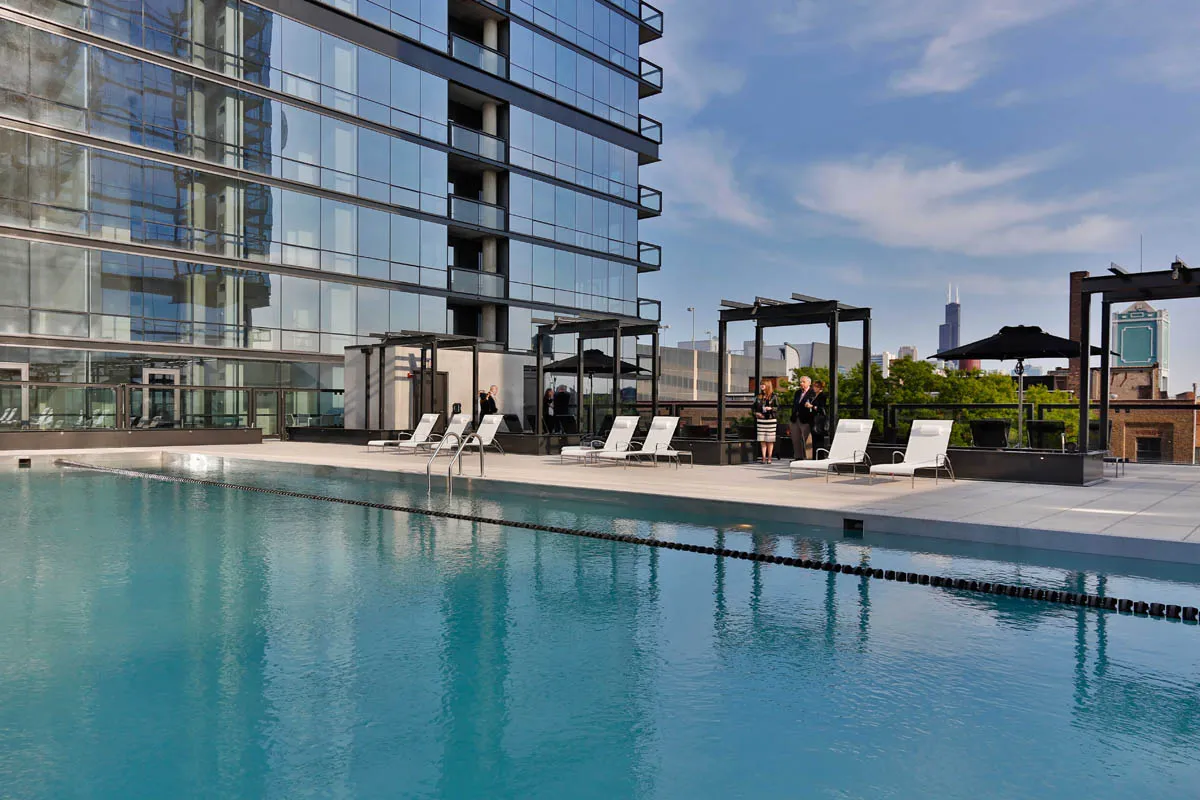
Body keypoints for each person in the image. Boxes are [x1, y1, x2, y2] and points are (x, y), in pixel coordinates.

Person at [752, 380, 778, 464]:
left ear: (768, 385)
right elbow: (753, 408)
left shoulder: (774, 396)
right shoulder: (758, 396)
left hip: (771, 420)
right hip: (761, 420)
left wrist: (771, 408)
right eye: (761, 384)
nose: (761, 386)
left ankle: (769, 458)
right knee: (762, 440)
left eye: (763, 384)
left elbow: (777, 407)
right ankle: (763, 458)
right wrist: (756, 413)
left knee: (770, 440)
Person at [790, 374, 815, 460]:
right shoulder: (797, 393)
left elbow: (813, 406)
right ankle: (798, 457)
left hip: (805, 419)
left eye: (803, 382)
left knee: (807, 439)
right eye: (800, 382)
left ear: (809, 383)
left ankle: (809, 458)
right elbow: (794, 405)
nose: (801, 383)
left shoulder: (812, 392)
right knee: (795, 439)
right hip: (795, 419)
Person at [809, 379, 829, 454]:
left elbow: (821, 408)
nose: (814, 388)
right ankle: (815, 456)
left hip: (819, 420)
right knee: (814, 439)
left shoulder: (822, 396)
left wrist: (812, 406)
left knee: (819, 439)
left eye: (815, 386)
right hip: (813, 419)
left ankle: (819, 455)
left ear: (820, 388)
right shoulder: (814, 395)